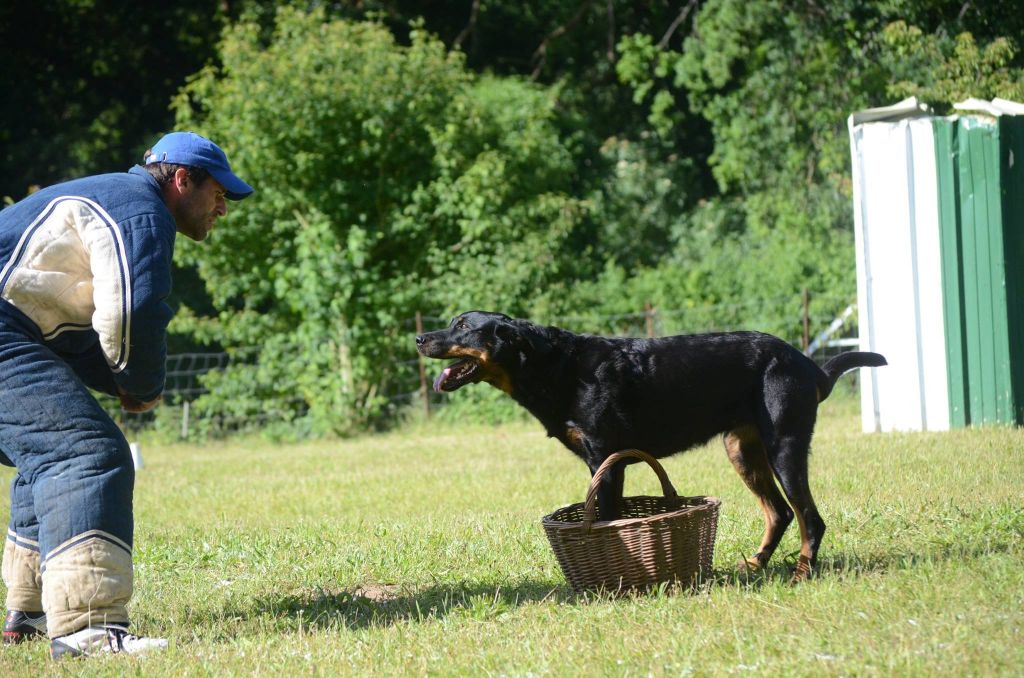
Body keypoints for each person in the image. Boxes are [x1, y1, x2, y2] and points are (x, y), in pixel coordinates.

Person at [0, 132, 253, 658]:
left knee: (47, 453)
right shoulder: (140, 211)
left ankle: (32, 612)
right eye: (220, 193)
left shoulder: (113, 196)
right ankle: (89, 628)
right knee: (84, 455)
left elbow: (76, 323)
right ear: (182, 180)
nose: (223, 209)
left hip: (13, 330)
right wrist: (140, 385)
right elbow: (130, 310)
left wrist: (120, 378)